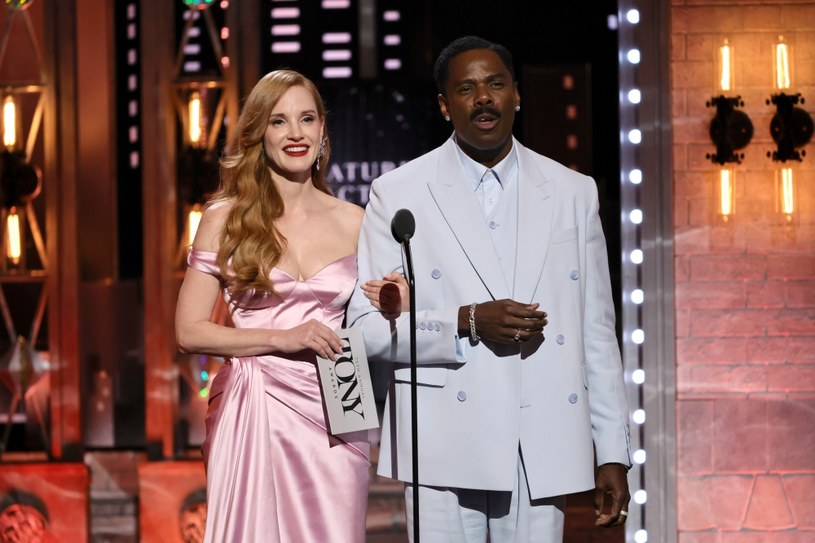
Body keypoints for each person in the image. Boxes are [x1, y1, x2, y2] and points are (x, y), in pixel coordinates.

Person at [348, 36, 632, 542]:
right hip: (441, 438)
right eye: (467, 88)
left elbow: (596, 332)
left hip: (541, 435)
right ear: (444, 105)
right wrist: (467, 320)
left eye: (496, 84)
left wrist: (612, 450)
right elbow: (367, 330)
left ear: (516, 95)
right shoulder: (399, 193)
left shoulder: (573, 192)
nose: (484, 97)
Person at [175, 69, 372, 543]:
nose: (296, 133)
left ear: (323, 129)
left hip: (340, 403)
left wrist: (394, 301)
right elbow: (188, 331)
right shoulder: (224, 218)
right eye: (279, 121)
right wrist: (282, 338)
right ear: (259, 133)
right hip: (254, 401)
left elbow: (373, 319)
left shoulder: (358, 220)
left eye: (307, 118)